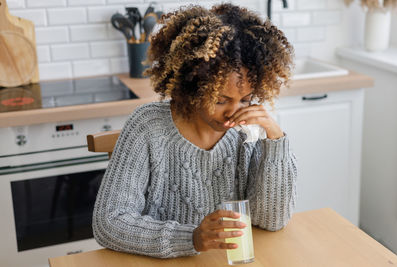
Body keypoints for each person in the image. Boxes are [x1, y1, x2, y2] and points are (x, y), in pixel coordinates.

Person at [92, 3, 297, 258]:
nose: (234, 111)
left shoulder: (249, 134)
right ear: (192, 87)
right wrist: (191, 238)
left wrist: (275, 139)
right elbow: (109, 223)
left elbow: (273, 220)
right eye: (221, 100)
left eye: (245, 99)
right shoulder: (147, 127)